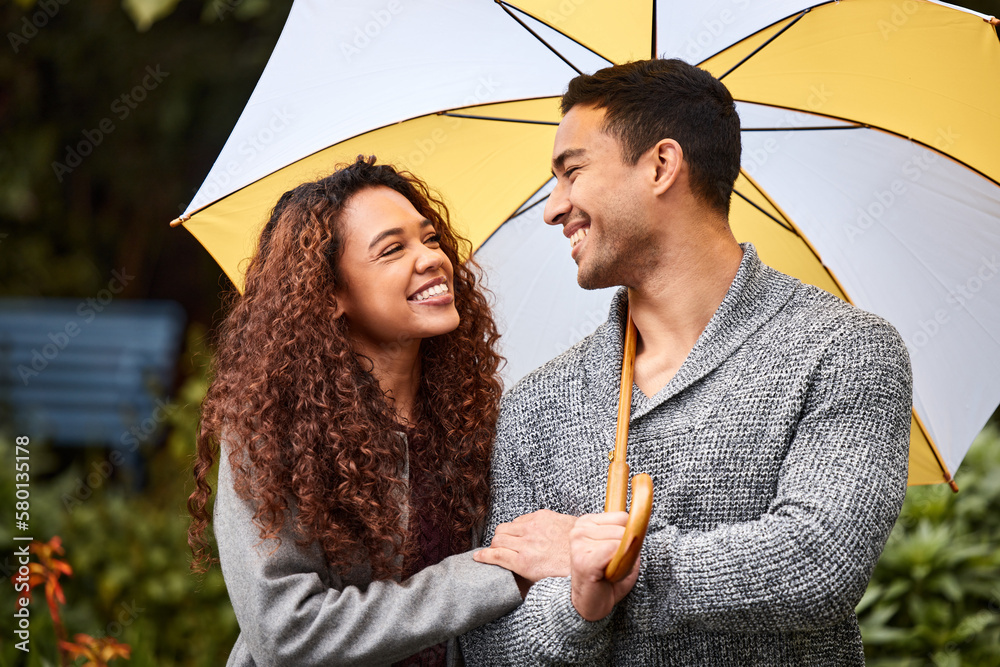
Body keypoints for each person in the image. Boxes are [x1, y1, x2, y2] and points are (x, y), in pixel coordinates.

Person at [461, 59, 912, 665]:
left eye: (571, 172)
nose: (552, 207)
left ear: (660, 165)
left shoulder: (843, 349)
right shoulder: (536, 403)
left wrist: (614, 561)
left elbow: (817, 560)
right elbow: (491, 645)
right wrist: (580, 605)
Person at [187, 156, 559, 666]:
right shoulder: (274, 435)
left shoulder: (472, 420)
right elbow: (286, 633)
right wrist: (498, 576)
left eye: (430, 239)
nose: (432, 258)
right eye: (392, 250)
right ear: (332, 294)